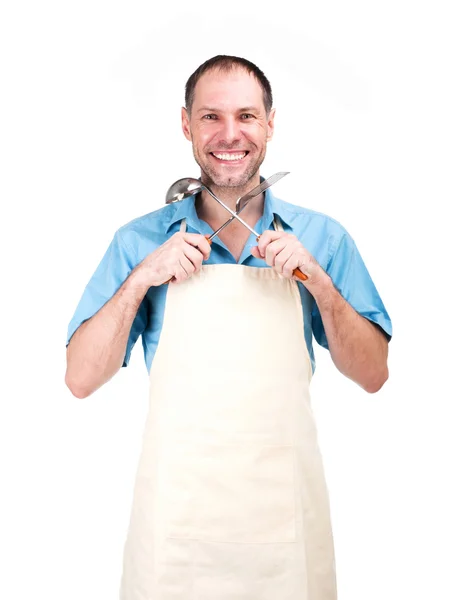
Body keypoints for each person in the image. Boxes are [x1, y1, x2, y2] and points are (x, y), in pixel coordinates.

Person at [65, 55, 392, 600]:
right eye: (211, 117)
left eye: (246, 115)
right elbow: (79, 378)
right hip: (175, 532)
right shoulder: (140, 241)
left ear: (269, 123)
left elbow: (375, 374)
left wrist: (320, 285)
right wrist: (142, 279)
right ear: (187, 125)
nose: (230, 134)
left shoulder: (322, 238)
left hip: (285, 525)